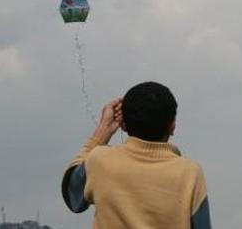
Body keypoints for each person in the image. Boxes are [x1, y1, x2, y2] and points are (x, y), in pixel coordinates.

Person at [61, 81, 212, 229]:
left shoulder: (100, 161)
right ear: (172, 125)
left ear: (123, 125)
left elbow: (73, 197)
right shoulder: (190, 173)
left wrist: (101, 133)